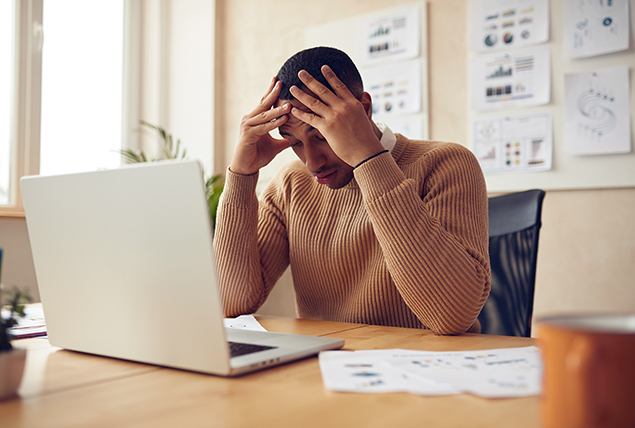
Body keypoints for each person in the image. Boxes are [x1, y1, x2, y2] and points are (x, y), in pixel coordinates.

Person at [213, 47, 490, 335]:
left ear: (363, 109)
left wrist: (368, 160)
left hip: (429, 369)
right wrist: (241, 176)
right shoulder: (291, 185)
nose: (312, 162)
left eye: (321, 136)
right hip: (326, 367)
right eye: (294, 142)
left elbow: (452, 317)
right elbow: (231, 305)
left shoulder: (445, 164)